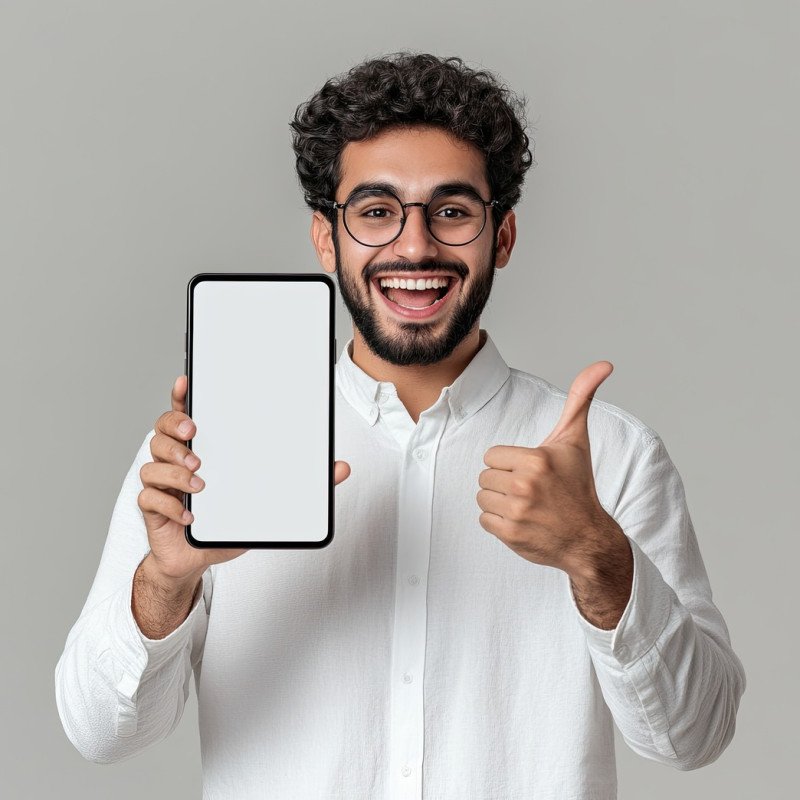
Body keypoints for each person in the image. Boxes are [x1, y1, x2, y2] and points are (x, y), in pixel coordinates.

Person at [55, 52, 746, 799]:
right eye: (377, 212)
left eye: (452, 211)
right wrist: (164, 581)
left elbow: (694, 737)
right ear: (327, 238)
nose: (414, 247)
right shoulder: (203, 459)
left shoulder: (612, 455)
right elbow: (101, 734)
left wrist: (597, 555)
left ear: (502, 236)